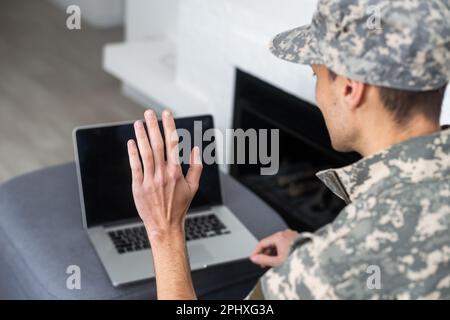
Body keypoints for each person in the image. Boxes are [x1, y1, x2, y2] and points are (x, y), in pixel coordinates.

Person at [127, 0, 450, 299]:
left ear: (351, 88)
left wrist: (164, 229)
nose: (318, 94)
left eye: (316, 76)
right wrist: (312, 250)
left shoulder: (326, 267)